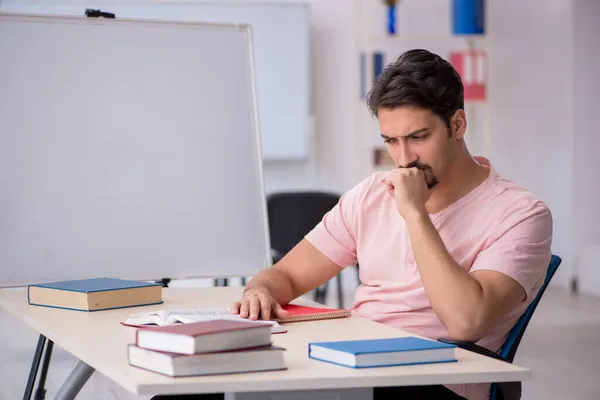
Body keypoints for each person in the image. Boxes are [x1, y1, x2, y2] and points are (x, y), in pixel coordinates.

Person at [230, 49, 553, 400]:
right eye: (391, 141)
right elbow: (287, 276)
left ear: (457, 124)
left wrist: (415, 214)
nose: (404, 158)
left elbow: (466, 321)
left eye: (418, 137)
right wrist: (259, 292)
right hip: (354, 367)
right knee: (210, 388)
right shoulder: (370, 195)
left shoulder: (521, 214)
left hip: (435, 382)